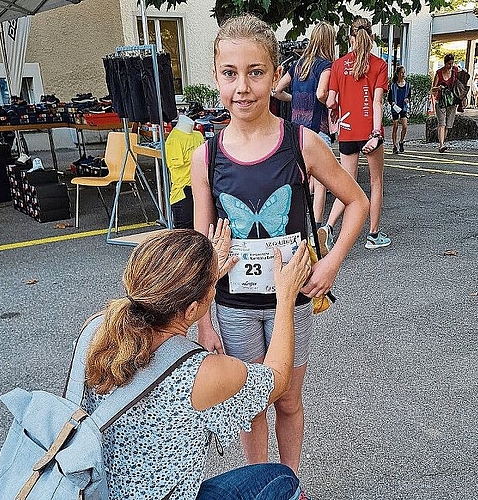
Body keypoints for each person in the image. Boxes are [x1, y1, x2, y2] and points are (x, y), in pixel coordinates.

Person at [191, 14, 369, 474]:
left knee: (288, 400)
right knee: (249, 408)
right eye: (230, 73)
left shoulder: (302, 143)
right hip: (232, 305)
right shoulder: (205, 156)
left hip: (290, 301)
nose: (243, 87)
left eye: (256, 72)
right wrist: (204, 322)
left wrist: (329, 264)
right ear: (216, 77)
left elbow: (357, 203)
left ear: (275, 75)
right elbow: (198, 248)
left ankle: (289, 482)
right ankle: (260, 484)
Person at [82, 223, 312, 499]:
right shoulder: (201, 372)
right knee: (281, 480)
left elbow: (165, 321)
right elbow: (278, 378)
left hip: (102, 492)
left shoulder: (97, 332)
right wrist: (286, 296)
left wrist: (203, 274)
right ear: (192, 309)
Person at [323, 16, 391, 250]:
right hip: (369, 132)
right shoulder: (379, 65)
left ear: (350, 38)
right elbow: (377, 102)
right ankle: (373, 235)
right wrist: (376, 133)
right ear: (370, 37)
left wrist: (336, 111)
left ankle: (328, 228)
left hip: (347, 131)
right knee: (375, 182)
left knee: (347, 184)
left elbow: (331, 100)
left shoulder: (338, 65)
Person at [273, 21, 336, 253]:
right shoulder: (325, 65)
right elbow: (321, 93)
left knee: (298, 181)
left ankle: (294, 232)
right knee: (320, 185)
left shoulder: (297, 65)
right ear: (329, 41)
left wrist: (295, 101)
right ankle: (316, 234)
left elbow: (277, 91)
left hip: (296, 131)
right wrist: (330, 101)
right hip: (317, 129)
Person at [165, 114, 204, 229]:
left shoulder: (198, 135)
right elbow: (177, 165)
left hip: (200, 188)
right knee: (184, 233)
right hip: (183, 191)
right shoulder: (173, 140)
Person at [431, 53, 459, 153]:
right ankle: (441, 144)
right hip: (441, 100)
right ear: (445, 63)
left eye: (452, 63)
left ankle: (443, 142)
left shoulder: (455, 71)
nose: (450, 66)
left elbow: (459, 84)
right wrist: (438, 88)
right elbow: (433, 89)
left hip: (452, 101)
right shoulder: (439, 72)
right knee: (441, 123)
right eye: (448, 64)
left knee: (448, 124)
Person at [388, 65, 411, 154]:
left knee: (405, 126)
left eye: (404, 72)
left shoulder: (408, 85)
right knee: (395, 126)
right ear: (397, 74)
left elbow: (409, 95)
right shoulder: (393, 86)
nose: (403, 74)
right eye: (401, 73)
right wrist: (392, 102)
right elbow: (389, 98)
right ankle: (394, 145)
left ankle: (401, 141)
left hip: (403, 107)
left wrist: (407, 99)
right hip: (395, 108)